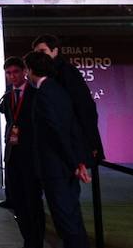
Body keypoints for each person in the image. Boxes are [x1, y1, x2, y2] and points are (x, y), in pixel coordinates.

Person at [25, 50, 94, 248]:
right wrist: (79, 162)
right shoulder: (59, 91)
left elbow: (56, 131)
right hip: (66, 169)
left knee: (68, 226)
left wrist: (74, 162)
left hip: (56, 171)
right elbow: (71, 128)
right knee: (72, 222)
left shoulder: (43, 95)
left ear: (32, 70)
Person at [0, 56, 45, 248]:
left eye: (15, 72)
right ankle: (27, 247)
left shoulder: (37, 94)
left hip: (31, 157)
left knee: (33, 206)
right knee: (19, 206)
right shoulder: (8, 97)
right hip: (13, 156)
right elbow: (11, 122)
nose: (12, 76)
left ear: (24, 71)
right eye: (8, 73)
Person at [33, 35, 103, 167]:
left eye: (42, 52)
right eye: (36, 53)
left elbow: (84, 107)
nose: (39, 57)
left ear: (55, 51)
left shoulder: (66, 71)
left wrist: (91, 142)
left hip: (71, 137)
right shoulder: (48, 74)